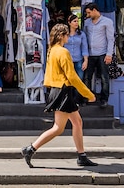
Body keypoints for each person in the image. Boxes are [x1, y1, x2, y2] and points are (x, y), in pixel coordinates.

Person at [21, 23, 98, 168]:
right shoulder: (63, 52)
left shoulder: (52, 50)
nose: (68, 37)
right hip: (63, 91)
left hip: (58, 90)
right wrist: (87, 93)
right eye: (67, 34)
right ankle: (30, 149)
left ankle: (82, 156)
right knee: (58, 128)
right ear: (62, 36)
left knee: (77, 122)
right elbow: (72, 76)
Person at [82, 3, 115, 106]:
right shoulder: (87, 23)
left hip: (102, 53)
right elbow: (84, 37)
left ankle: (104, 100)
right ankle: (87, 98)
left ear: (95, 10)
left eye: (89, 12)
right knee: (87, 77)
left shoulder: (107, 22)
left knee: (104, 77)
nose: (88, 15)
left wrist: (109, 54)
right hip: (90, 54)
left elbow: (110, 39)